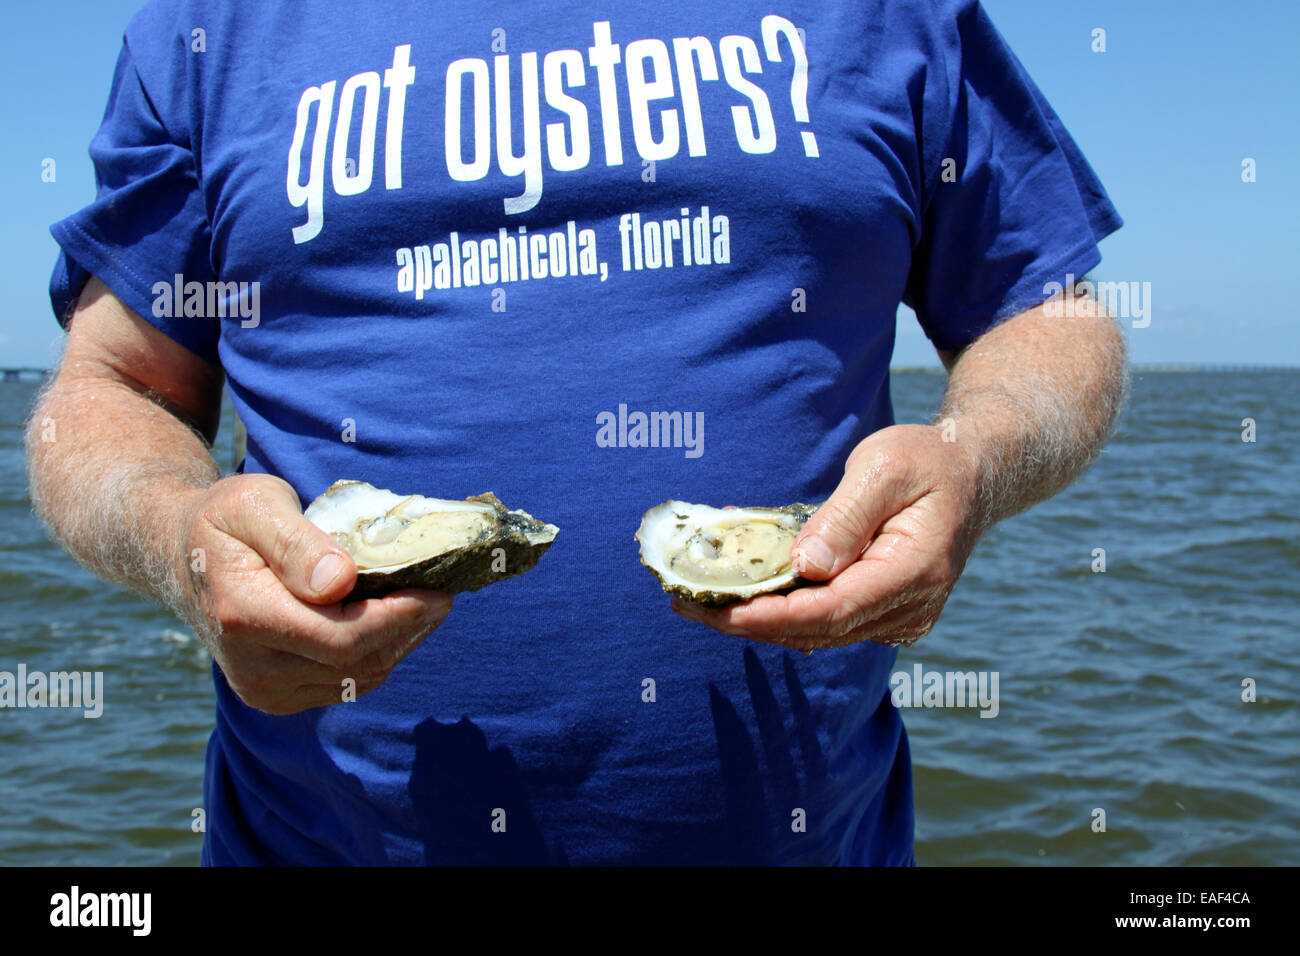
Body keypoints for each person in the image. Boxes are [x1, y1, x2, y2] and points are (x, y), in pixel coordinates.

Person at [27, 0, 1125, 865]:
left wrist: (975, 458)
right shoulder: (211, 28)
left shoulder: (889, 9)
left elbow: (1050, 313)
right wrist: (178, 536)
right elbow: (110, 387)